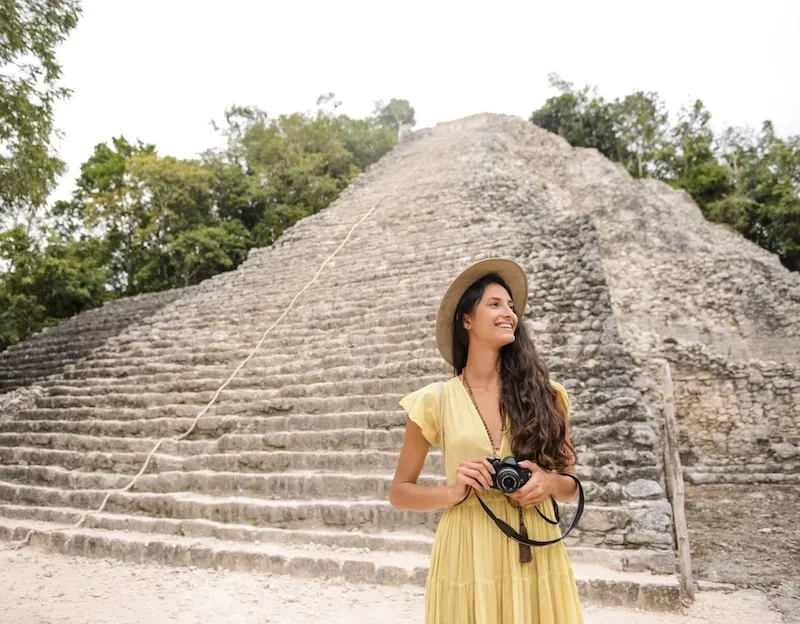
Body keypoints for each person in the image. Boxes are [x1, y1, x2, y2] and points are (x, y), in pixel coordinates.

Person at [389, 258, 584, 623]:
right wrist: (452, 491)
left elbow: (570, 486)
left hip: (536, 544)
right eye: (495, 304)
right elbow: (400, 492)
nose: (508, 312)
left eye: (511, 306)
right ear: (467, 319)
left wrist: (546, 482)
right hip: (467, 547)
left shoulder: (549, 395)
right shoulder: (435, 400)